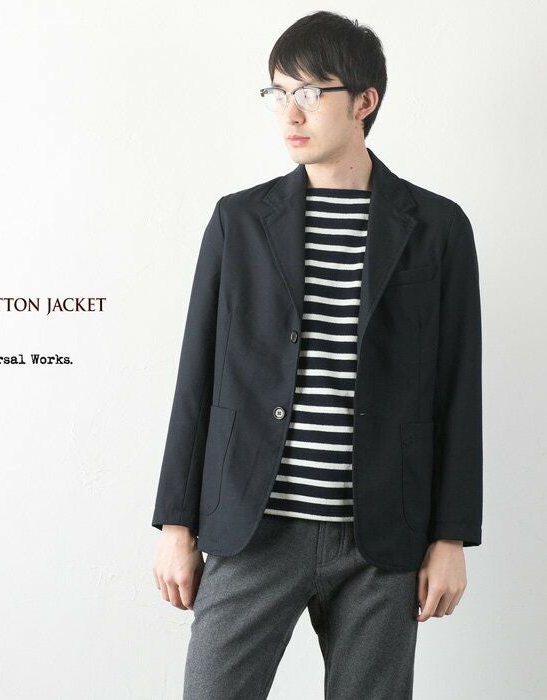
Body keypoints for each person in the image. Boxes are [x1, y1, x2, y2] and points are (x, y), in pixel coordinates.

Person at [151, 10, 483, 699]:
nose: (290, 113)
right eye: (277, 93)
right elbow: (197, 376)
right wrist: (176, 525)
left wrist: (450, 537)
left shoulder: (437, 228)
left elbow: (458, 389)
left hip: (381, 537)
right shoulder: (240, 222)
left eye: (309, 92)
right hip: (254, 526)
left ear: (365, 101)